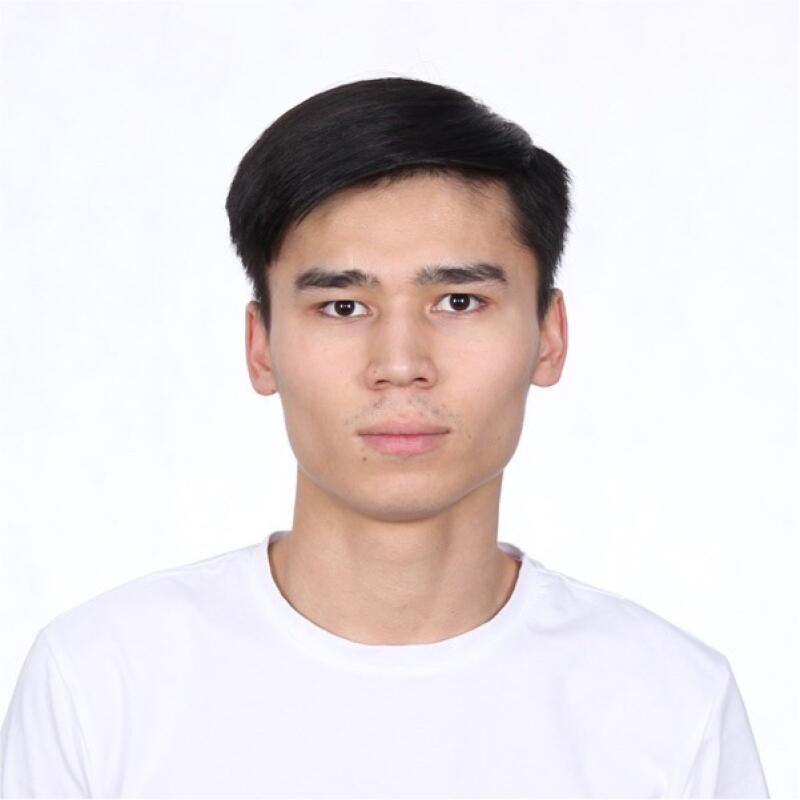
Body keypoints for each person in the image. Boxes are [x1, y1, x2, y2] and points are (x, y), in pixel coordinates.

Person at [0, 76, 768, 798]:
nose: (401, 366)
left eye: (459, 301)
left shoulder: (670, 704)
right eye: (342, 306)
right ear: (261, 345)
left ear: (549, 337)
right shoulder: (101, 683)